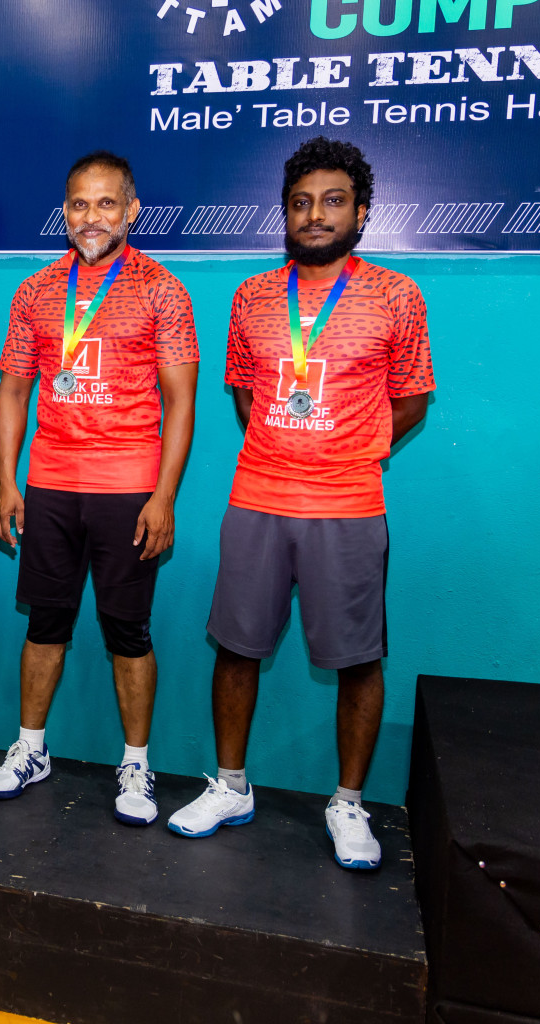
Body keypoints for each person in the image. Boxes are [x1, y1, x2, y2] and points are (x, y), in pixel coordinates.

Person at [166, 137, 434, 870]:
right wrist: (289, 441)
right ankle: (230, 786)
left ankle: (348, 803)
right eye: (301, 203)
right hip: (257, 496)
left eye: (333, 201)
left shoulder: (396, 295)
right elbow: (247, 392)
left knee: (357, 659)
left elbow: (412, 396)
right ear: (285, 213)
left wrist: (351, 445)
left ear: (362, 212)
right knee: (237, 647)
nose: (316, 215)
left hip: (349, 503)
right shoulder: (252, 296)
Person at [0, 151, 199, 825]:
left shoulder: (162, 289)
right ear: (65, 211)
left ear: (132, 210)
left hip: (130, 490)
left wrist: (163, 496)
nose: (91, 217)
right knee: (46, 624)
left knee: (126, 631)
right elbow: (14, 392)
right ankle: (30, 750)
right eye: (79, 204)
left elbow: (181, 401)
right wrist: (6, 483)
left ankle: (136, 763)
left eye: (107, 204)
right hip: (50, 486)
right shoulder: (36, 291)